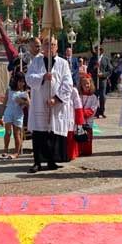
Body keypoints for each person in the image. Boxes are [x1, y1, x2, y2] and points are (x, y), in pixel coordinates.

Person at [25, 35, 73, 173]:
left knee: (53, 134)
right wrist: (42, 77)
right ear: (42, 46)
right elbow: (28, 78)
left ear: (56, 47)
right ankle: (37, 162)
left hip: (55, 105)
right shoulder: (36, 61)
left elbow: (68, 83)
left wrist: (56, 99)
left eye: (52, 44)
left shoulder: (63, 63)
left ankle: (51, 161)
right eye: (46, 44)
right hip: (40, 103)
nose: (49, 47)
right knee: (39, 134)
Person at [0, 71, 29, 159]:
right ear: (16, 81)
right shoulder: (9, 90)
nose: (22, 84)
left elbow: (29, 104)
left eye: (23, 82)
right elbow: (4, 103)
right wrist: (0, 116)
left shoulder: (24, 92)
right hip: (9, 111)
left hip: (19, 114)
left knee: (17, 134)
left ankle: (16, 153)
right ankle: (5, 149)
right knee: (8, 132)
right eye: (20, 81)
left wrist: (22, 101)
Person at [87, 45, 112, 118]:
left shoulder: (106, 59)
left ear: (102, 50)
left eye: (99, 49)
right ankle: (96, 111)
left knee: (102, 96)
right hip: (94, 80)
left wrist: (103, 74)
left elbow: (110, 70)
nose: (97, 51)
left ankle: (102, 111)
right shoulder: (92, 59)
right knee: (95, 96)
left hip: (102, 81)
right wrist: (94, 67)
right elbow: (88, 70)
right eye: (96, 49)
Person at [78, 74, 99, 157]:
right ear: (81, 85)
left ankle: (87, 151)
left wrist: (83, 113)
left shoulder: (93, 97)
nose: (86, 85)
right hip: (79, 121)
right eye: (84, 84)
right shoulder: (79, 96)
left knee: (88, 138)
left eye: (88, 83)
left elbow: (93, 109)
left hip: (88, 121)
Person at [66, 86, 85, 161]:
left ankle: (71, 154)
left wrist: (79, 121)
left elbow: (78, 106)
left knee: (71, 138)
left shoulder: (73, 90)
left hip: (71, 117)